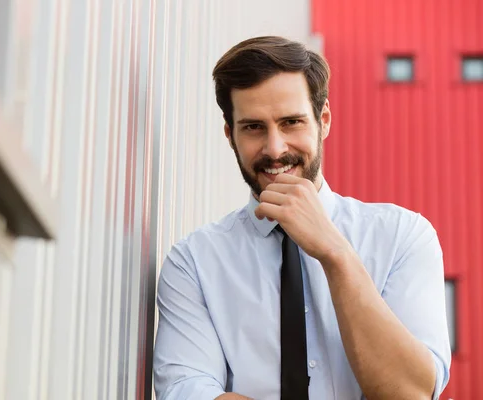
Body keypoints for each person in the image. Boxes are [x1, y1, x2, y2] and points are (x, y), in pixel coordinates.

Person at [152, 36, 451, 400]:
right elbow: (187, 392)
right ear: (230, 135)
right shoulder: (193, 263)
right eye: (253, 127)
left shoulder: (404, 237)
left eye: (291, 122)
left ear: (322, 120)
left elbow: (410, 393)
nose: (275, 149)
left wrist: (335, 254)